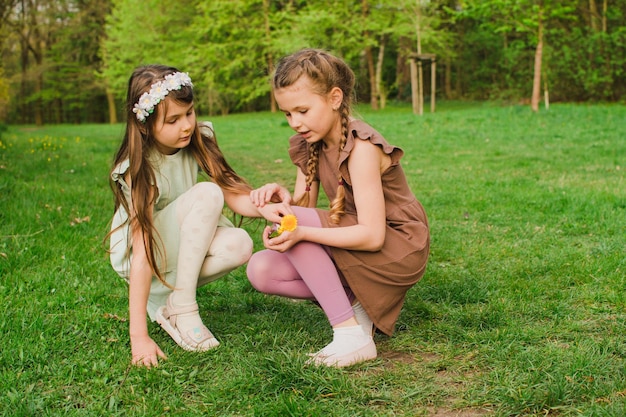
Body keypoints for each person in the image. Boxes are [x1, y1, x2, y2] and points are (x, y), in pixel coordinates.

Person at [247, 48, 430, 368]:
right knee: (261, 270)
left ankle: (350, 336)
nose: (295, 122)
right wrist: (280, 200)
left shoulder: (360, 148)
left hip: (397, 244)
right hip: (354, 237)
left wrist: (300, 227)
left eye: (302, 110)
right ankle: (357, 307)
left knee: (295, 225)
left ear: (334, 98)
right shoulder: (310, 142)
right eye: (287, 114)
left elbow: (373, 236)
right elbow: (303, 207)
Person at [108, 65, 287, 368]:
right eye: (173, 120)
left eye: (188, 113)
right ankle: (181, 307)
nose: (186, 126)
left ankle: (172, 301)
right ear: (144, 126)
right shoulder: (140, 168)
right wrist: (138, 336)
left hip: (176, 241)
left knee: (240, 244)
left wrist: (264, 208)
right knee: (207, 194)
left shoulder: (198, 137)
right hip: (141, 254)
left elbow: (230, 191)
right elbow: (141, 253)